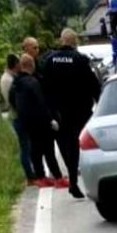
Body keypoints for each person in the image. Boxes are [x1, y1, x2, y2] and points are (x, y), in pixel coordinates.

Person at [41, 28, 101, 199]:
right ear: (75, 42)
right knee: (90, 142)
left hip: (59, 112)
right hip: (80, 110)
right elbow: (93, 85)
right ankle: (97, 176)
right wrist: (101, 104)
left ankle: (73, 181)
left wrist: (51, 111)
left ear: (61, 40)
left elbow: (44, 88)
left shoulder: (49, 61)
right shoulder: (80, 60)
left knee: (69, 145)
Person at [9, 54, 66, 188]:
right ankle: (58, 177)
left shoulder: (16, 83)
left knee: (35, 151)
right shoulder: (33, 82)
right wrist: (50, 119)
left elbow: (12, 100)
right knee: (49, 150)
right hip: (40, 122)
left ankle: (40, 177)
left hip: (26, 122)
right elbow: (41, 103)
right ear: (31, 65)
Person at [0, 54, 36, 184]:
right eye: (19, 63)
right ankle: (30, 176)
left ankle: (32, 173)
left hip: (18, 115)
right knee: (25, 146)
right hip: (17, 116)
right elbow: (13, 100)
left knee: (28, 145)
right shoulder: (8, 80)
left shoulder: (11, 78)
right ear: (15, 64)